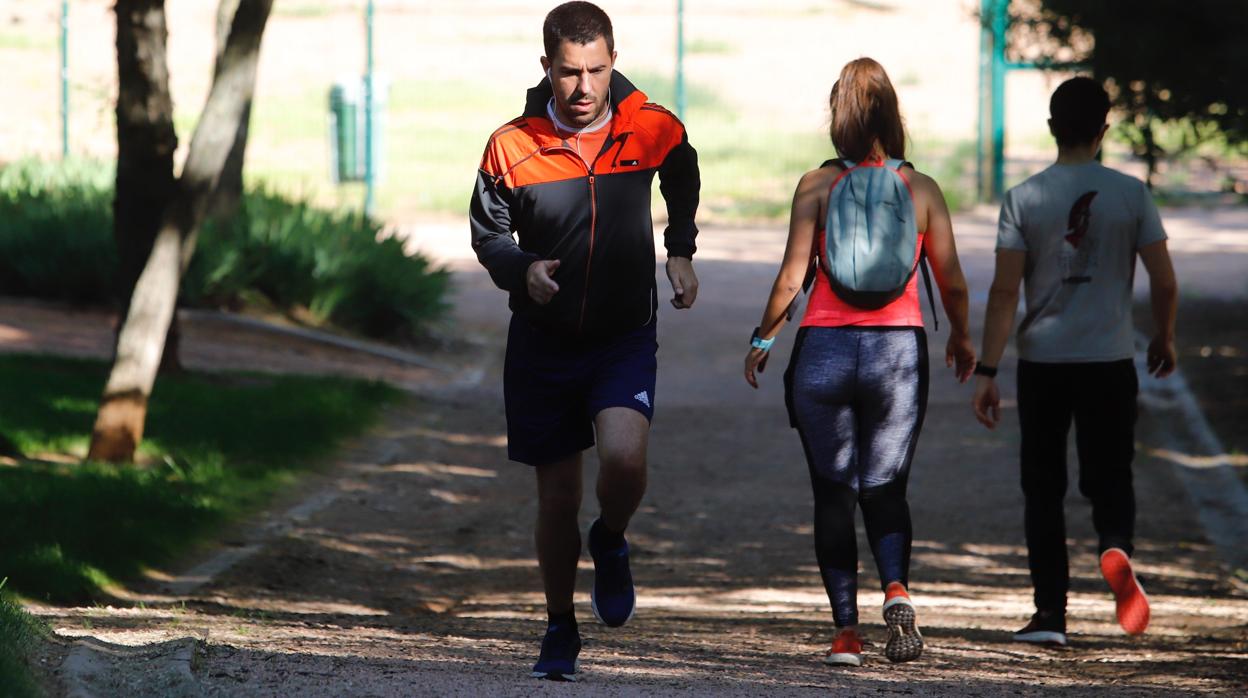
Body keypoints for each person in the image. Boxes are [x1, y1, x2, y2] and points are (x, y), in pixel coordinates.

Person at [469, 1, 700, 682]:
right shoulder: (510, 144)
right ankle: (559, 626)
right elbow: (488, 235)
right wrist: (521, 270)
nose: (583, 88)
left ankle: (613, 536)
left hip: (623, 338)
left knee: (624, 462)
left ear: (613, 61)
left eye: (596, 70)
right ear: (547, 67)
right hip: (543, 344)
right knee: (558, 497)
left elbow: (682, 172)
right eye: (569, 73)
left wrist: (680, 249)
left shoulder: (651, 125)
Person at [744, 57, 975, 667]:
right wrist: (961, 337)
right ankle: (896, 588)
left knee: (832, 493)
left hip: (823, 349)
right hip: (897, 352)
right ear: (892, 116)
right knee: (886, 486)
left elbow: (793, 276)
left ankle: (845, 632)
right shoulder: (920, 188)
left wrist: (764, 339)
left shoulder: (816, 186)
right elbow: (950, 280)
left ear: (837, 117)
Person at [971, 76, 1178, 646]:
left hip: (1043, 362)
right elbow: (1164, 280)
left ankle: (1051, 616)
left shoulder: (1024, 196)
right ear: (1104, 130)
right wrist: (1164, 337)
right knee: (1110, 471)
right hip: (1109, 358)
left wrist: (988, 370)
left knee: (1043, 487)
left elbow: (1005, 292)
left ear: (1051, 129)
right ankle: (1115, 543)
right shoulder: (1131, 193)